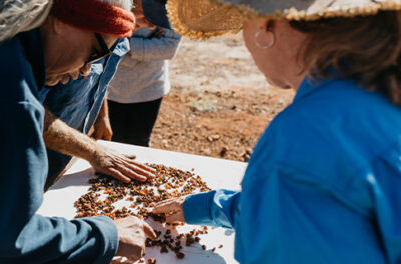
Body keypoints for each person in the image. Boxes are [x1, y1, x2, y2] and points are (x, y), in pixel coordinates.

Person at [154, 1, 401, 263]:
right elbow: (322, 208)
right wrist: (208, 206)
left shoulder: (306, 136)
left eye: (242, 23)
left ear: (266, 24)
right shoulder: (379, 96)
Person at [0, 0, 161, 263]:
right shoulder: (5, 92)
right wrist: (108, 234)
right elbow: (7, 242)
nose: (84, 70)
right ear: (62, 22)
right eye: (94, 54)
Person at [40, 0, 173, 188]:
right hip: (37, 151)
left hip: (69, 150)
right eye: (149, 13)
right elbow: (29, 112)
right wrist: (92, 152)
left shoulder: (112, 31)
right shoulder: (60, 34)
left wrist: (101, 115)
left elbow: (100, 76)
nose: (151, 25)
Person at [107, 25, 181, 147]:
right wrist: (146, 48)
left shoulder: (169, 7)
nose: (150, 23)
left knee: (139, 144)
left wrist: (123, 45)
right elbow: (102, 46)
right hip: (111, 89)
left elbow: (169, 48)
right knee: (112, 143)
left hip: (150, 89)